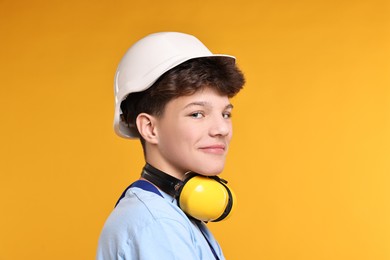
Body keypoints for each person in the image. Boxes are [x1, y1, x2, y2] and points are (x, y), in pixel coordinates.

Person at [97, 32, 245, 260]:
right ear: (150, 128)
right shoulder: (158, 223)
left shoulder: (166, 213)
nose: (222, 129)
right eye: (197, 114)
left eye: (225, 114)